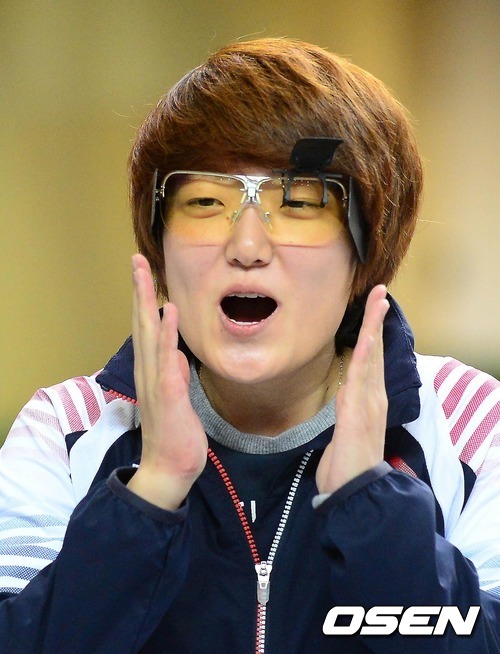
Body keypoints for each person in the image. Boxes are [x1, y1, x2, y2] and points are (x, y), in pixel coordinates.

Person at [0, 37, 499, 654]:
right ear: (159, 246)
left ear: (367, 252)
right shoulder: (66, 429)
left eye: (300, 204)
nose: (247, 245)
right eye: (206, 202)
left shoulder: (468, 423)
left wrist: (369, 504)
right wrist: (151, 492)